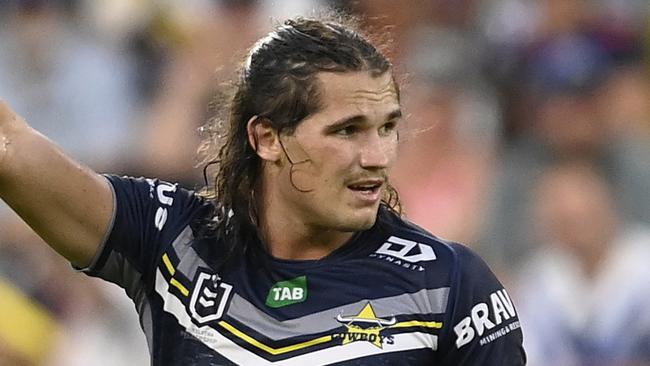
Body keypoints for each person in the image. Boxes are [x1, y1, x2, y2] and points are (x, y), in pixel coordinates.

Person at [0, 16, 525, 365]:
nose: (378, 156)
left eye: (387, 127)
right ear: (266, 138)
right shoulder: (174, 241)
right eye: (347, 130)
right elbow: (12, 151)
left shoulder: (449, 285)